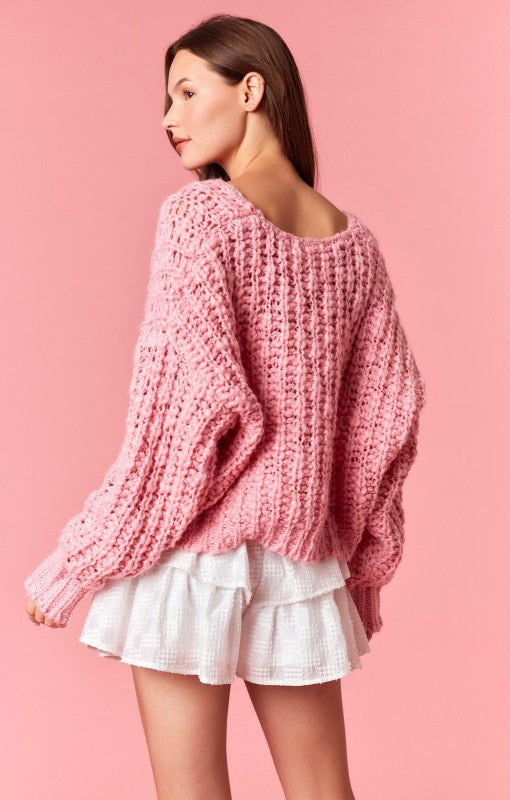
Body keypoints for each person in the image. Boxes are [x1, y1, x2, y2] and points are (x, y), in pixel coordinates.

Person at [23, 13, 426, 800]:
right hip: (301, 566)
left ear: (250, 90)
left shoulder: (201, 217)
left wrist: (79, 559)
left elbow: (181, 420)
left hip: (192, 557)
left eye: (185, 92)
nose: (167, 118)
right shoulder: (354, 246)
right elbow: (384, 423)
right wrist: (354, 568)